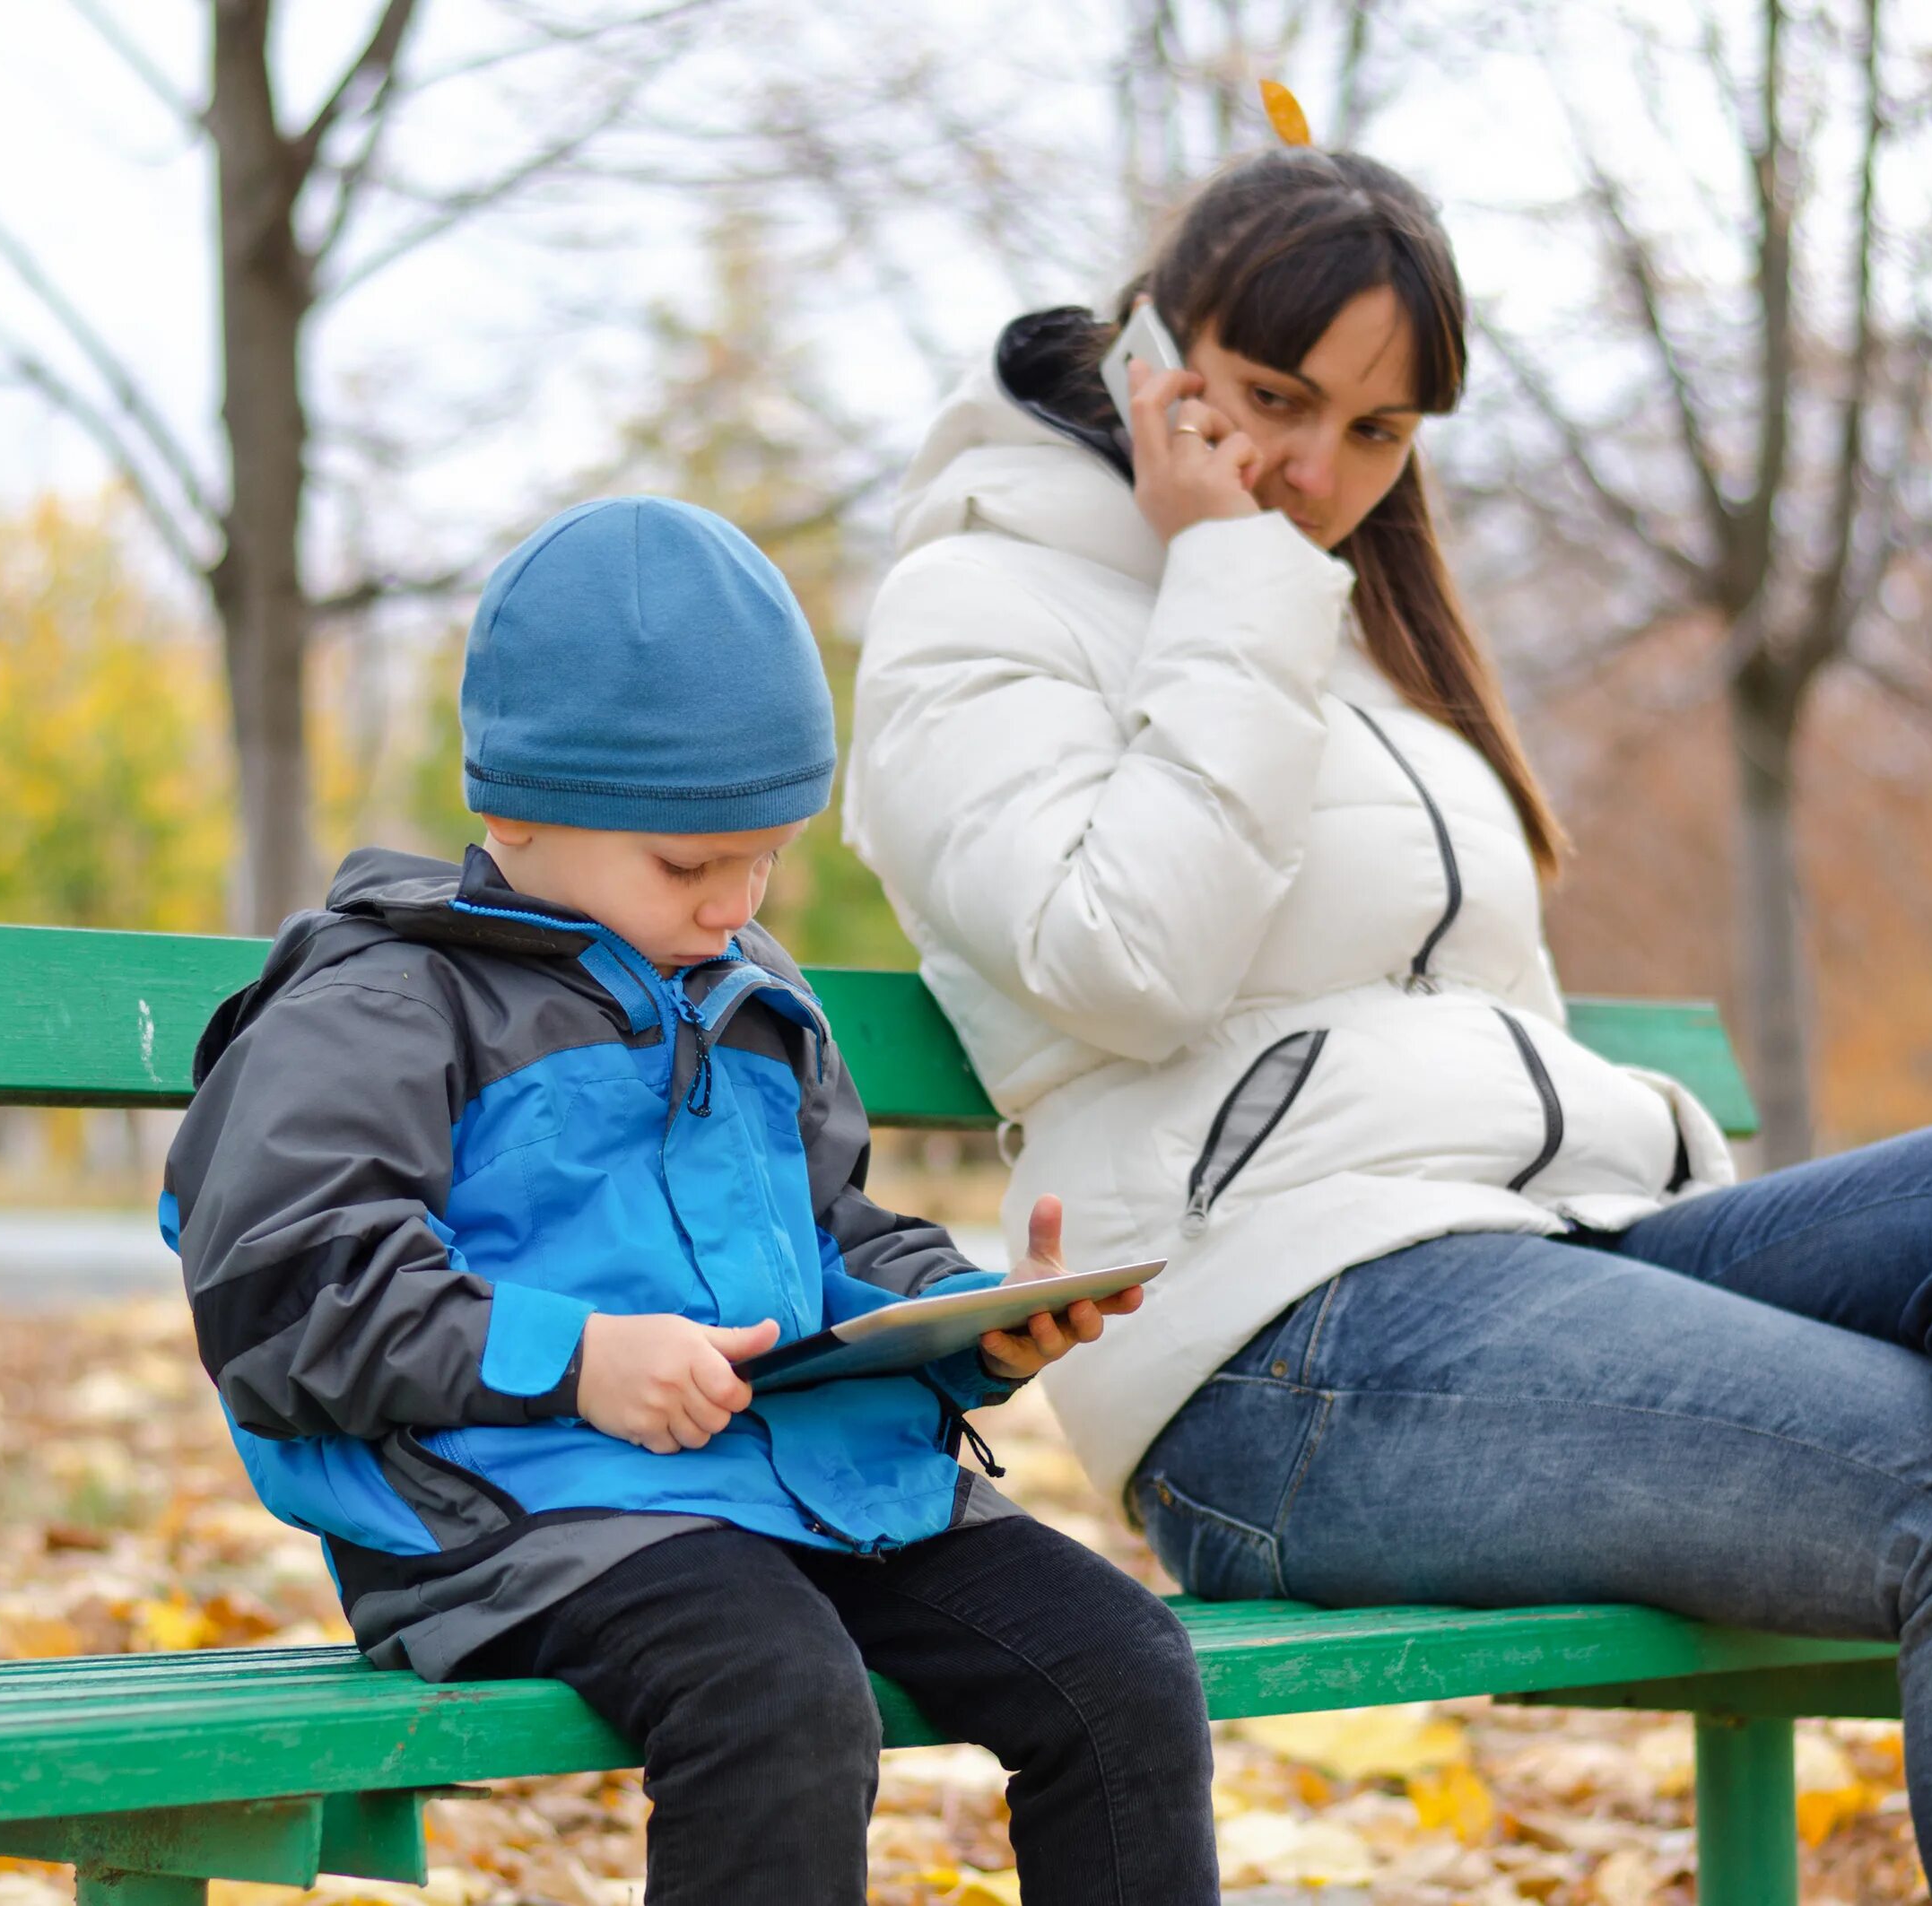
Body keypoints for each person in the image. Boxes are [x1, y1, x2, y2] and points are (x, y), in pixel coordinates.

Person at [844, 145, 1932, 1902]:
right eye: (1273, 400)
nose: (1318, 473)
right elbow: (1125, 962)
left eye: (1382, 433)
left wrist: (1249, 587)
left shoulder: (1336, 619)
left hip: (1544, 1247)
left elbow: (1461, 1006)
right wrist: (1228, 589)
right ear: (1155, 346)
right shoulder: (988, 601)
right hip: (1274, 1342)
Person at [163, 495, 1215, 1906]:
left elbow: (826, 1234)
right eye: (689, 864)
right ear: (514, 807)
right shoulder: (386, 1000)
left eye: (766, 854)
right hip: (516, 1511)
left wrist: (960, 1317)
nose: (737, 902)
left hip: (794, 1484)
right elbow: (288, 1295)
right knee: (779, 1692)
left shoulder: (747, 995)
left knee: (1124, 1664)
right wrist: (582, 1358)